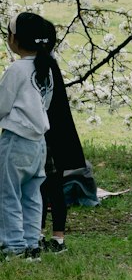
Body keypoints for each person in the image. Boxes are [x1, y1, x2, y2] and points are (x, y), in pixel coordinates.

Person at [0, 12, 55, 260]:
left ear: (16, 40)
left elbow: (3, 104)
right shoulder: (45, 67)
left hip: (16, 140)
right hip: (38, 143)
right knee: (32, 195)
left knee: (8, 193)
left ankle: (13, 245)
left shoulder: (17, 69)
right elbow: (47, 102)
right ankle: (32, 243)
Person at [36, 21, 86, 255]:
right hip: (56, 136)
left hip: (41, 137)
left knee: (37, 188)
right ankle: (57, 238)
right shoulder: (51, 64)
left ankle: (37, 234)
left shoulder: (32, 67)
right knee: (54, 188)